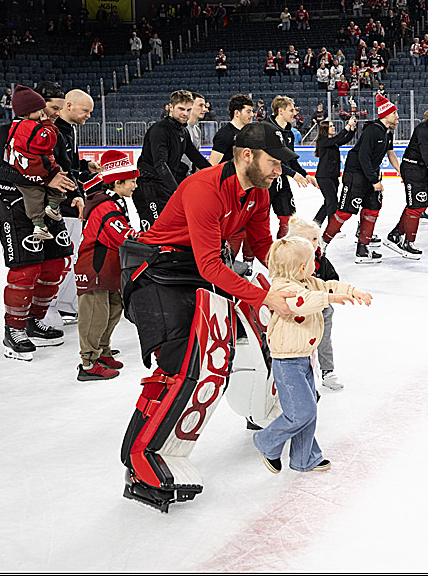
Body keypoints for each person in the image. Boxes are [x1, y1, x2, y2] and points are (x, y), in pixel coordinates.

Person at [119, 122, 300, 512]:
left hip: (195, 271)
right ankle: (141, 463)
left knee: (235, 343)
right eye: (273, 162)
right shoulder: (204, 187)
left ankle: (260, 408)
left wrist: (294, 276)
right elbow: (210, 265)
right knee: (181, 362)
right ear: (247, 156)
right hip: (156, 272)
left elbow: (263, 245)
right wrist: (267, 295)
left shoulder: (258, 194)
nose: (278, 171)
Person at [252, 237, 371, 474]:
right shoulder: (283, 288)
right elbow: (301, 303)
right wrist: (329, 299)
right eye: (310, 261)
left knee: (309, 410)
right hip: (286, 362)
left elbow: (328, 285)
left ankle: (304, 458)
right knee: (300, 412)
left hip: (302, 358)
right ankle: (266, 441)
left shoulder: (306, 281)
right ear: (300, 267)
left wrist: (351, 291)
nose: (315, 265)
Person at [0, 83, 76, 360]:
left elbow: (65, 166)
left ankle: (34, 320)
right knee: (25, 270)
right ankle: (13, 329)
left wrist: (75, 193)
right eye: (45, 110)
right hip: (16, 206)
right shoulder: (6, 132)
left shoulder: (54, 134)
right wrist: (43, 178)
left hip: (49, 207)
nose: (47, 115)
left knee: (56, 264)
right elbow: (1, 169)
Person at [74, 150, 139, 381]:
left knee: (113, 309)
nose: (135, 186)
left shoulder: (114, 201)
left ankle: (102, 351)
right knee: (95, 314)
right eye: (131, 181)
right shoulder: (106, 207)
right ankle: (89, 363)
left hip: (108, 268)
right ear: (118, 182)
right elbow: (124, 237)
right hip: (95, 268)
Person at [321, 93, 401, 264]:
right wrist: (374, 180)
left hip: (372, 174)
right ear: (386, 114)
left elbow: (390, 153)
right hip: (356, 174)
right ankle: (322, 244)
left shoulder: (388, 133)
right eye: (395, 114)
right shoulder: (372, 130)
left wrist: (400, 170)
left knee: (372, 210)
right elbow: (363, 156)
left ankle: (362, 250)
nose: (397, 118)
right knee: (345, 212)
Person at [49, 89, 100, 326]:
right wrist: (77, 195)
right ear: (68, 105)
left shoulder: (71, 130)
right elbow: (59, 169)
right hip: (64, 203)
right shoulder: (56, 131)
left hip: (72, 200)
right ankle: (56, 305)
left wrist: (84, 164)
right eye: (85, 110)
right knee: (67, 256)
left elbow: (69, 162)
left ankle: (66, 305)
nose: (89, 115)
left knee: (74, 254)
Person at [133, 90, 211, 231]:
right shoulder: (160, 130)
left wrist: (218, 174)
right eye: (181, 109)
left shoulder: (183, 131)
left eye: (188, 110)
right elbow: (160, 164)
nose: (185, 114)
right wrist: (176, 191)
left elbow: (196, 157)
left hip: (165, 187)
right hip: (149, 187)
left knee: (170, 231)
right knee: (155, 231)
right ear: (171, 107)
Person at [385, 100, 428, 259]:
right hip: (411, 168)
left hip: (421, 169)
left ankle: (396, 234)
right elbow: (426, 155)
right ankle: (408, 242)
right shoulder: (422, 129)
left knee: (419, 205)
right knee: (416, 206)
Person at [285, 219, 345, 390]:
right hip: (297, 312)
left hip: (322, 311)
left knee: (324, 340)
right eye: (306, 240)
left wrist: (327, 294)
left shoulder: (320, 260)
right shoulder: (287, 263)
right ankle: (299, 373)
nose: (312, 244)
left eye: (315, 239)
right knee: (300, 344)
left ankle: (327, 371)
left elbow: (333, 280)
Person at [4, 85, 67, 242]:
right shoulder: (31, 126)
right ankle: (53, 207)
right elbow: (47, 142)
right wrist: (48, 126)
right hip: (36, 167)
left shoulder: (13, 126)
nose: (42, 113)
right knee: (58, 175)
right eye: (39, 110)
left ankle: (39, 224)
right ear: (27, 112)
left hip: (20, 168)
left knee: (33, 195)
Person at [267, 95, 317, 239]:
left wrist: (305, 174)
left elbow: (291, 159)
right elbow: (271, 160)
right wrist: (293, 175)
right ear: (280, 111)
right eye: (291, 110)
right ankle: (249, 259)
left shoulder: (290, 133)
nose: (294, 114)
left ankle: (282, 251)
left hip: (282, 181)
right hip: (265, 182)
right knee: (260, 222)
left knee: (287, 219)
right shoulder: (268, 129)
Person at [312, 117, 357, 227]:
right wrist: (347, 126)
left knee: (328, 201)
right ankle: (332, 227)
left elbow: (345, 139)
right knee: (332, 201)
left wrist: (352, 128)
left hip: (333, 176)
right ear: (325, 129)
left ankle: (316, 222)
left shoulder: (332, 142)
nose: (333, 127)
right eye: (331, 126)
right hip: (324, 176)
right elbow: (337, 139)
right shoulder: (323, 141)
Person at [209, 95, 255, 165]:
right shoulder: (224, 134)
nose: (252, 115)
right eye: (248, 112)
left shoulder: (248, 132)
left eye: (252, 111)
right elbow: (212, 165)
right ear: (237, 113)